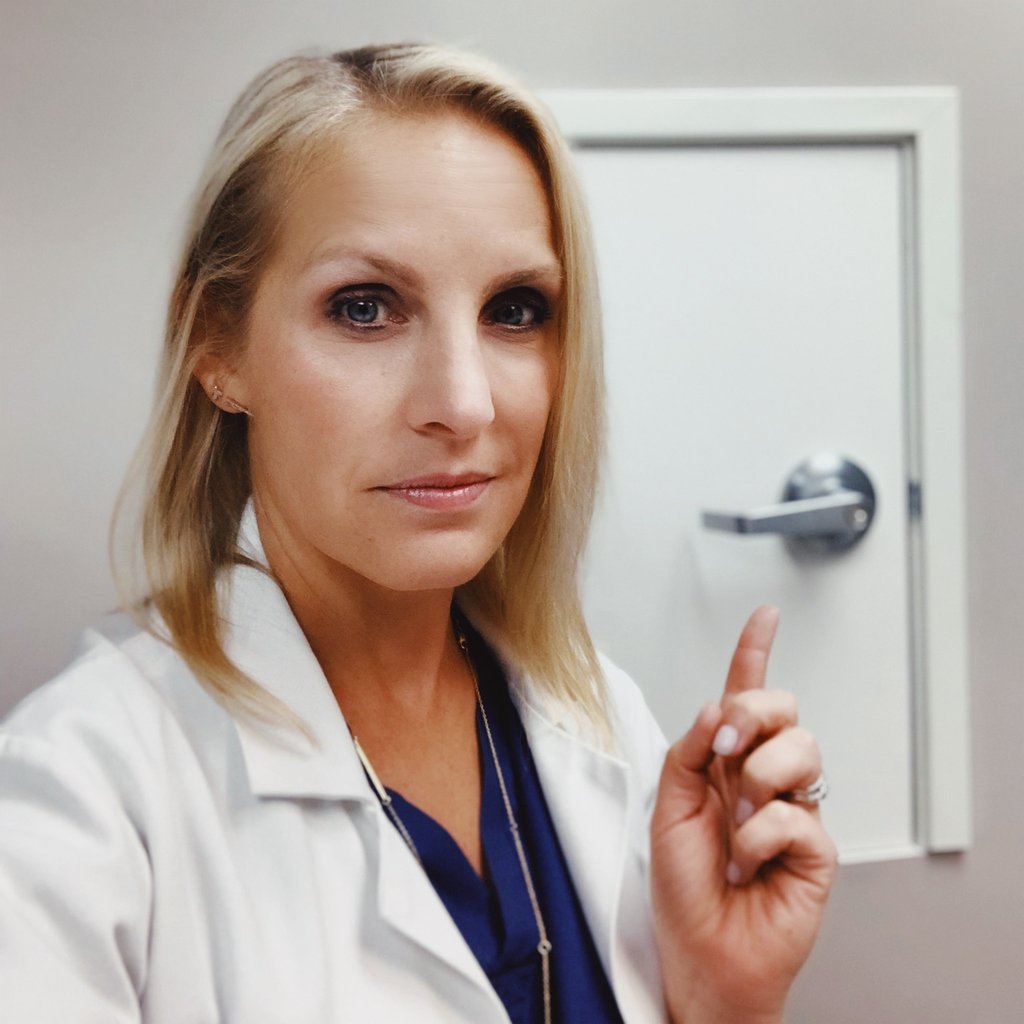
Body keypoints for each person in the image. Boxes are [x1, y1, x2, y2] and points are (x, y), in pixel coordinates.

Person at [0, 42, 836, 1023]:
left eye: (514, 310)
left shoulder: (600, 718)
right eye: (365, 307)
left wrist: (726, 1002)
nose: (464, 402)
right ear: (216, 344)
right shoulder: (78, 802)